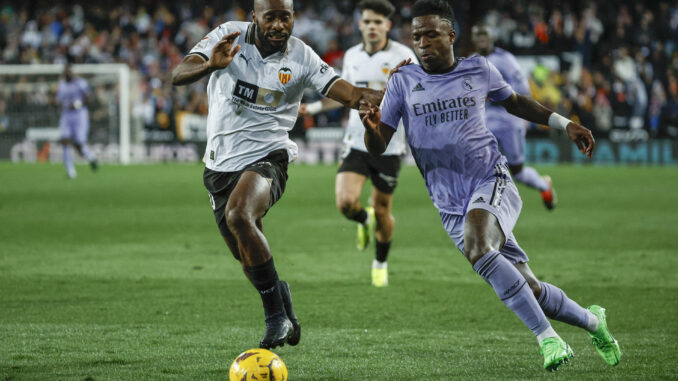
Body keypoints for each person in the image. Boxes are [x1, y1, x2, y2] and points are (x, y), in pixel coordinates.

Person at [359, 0, 620, 371]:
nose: (423, 43)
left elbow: (514, 102)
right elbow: (379, 143)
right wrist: (371, 133)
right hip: (448, 204)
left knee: (479, 245)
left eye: (431, 35)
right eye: (417, 37)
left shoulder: (478, 68)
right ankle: (594, 322)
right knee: (529, 288)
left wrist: (567, 124)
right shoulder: (402, 81)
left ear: (451, 35)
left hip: (490, 179)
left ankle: (548, 339)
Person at [171, 0, 382, 350]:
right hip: (219, 165)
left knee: (240, 214)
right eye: (271, 17)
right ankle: (283, 303)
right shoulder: (228, 35)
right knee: (247, 257)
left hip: (269, 156)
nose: (279, 25)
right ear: (255, 16)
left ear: (293, 17)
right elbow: (178, 74)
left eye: (286, 17)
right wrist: (211, 64)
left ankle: (275, 319)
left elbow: (353, 95)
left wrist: (400, 91)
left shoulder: (302, 57)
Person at [300, 0, 418, 287]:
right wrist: (313, 109)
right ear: (360, 24)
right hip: (355, 139)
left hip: (388, 144)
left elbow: (415, 100)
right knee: (344, 203)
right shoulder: (352, 55)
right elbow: (346, 94)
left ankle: (380, 262)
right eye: (367, 22)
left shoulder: (405, 55)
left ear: (388, 26)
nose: (372, 27)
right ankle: (363, 222)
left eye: (378, 22)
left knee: (382, 210)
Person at [471, 24, 556, 209]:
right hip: (484, 119)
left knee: (517, 171)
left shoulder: (506, 59)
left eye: (484, 32)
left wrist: (496, 95)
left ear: (492, 35)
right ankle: (485, 205)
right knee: (476, 164)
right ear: (473, 38)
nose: (481, 37)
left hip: (509, 118)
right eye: (478, 34)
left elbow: (523, 90)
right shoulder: (470, 61)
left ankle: (543, 185)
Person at [56, 63, 98, 179]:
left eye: (69, 70)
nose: (67, 73)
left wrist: (77, 104)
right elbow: (58, 100)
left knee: (79, 144)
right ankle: (70, 171)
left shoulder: (80, 83)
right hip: (66, 115)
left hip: (80, 115)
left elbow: (89, 98)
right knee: (64, 141)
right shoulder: (61, 84)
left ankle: (91, 157)